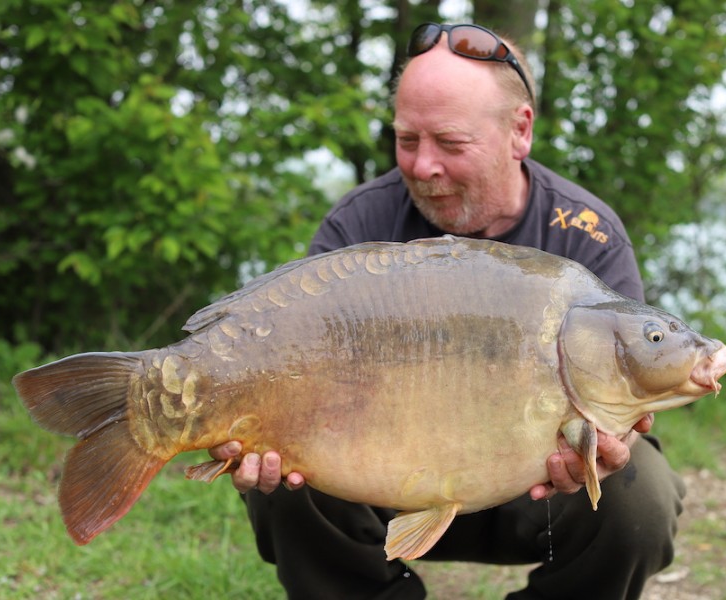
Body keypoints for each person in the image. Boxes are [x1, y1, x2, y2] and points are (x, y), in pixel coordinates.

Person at [209, 22, 685, 599]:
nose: (423, 166)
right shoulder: (359, 226)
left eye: (451, 144)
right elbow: (286, 362)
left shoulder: (585, 235)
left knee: (641, 495)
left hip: (529, 490)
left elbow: (625, 405)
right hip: (377, 478)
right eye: (407, 140)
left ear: (520, 131)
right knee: (282, 480)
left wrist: (613, 447)